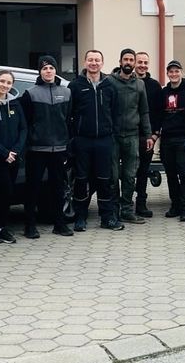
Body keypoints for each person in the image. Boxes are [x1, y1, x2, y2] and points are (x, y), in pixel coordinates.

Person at [69, 49, 122, 231]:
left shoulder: (110, 86)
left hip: (104, 141)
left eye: (97, 60)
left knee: (104, 180)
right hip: (82, 140)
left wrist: (111, 134)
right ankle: (80, 217)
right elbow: (70, 114)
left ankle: (107, 218)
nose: (93, 63)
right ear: (85, 63)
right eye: (90, 60)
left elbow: (115, 113)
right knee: (81, 180)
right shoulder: (75, 86)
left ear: (102, 63)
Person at [20, 56, 71, 239]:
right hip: (36, 150)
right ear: (39, 72)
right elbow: (24, 122)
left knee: (58, 188)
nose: (48, 71)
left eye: (51, 67)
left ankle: (60, 224)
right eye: (44, 68)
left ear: (56, 70)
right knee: (32, 188)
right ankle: (30, 226)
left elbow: (68, 119)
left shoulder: (66, 93)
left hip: (59, 149)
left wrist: (67, 144)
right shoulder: (30, 93)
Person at [0, 69, 28, 244]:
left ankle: (0, 228)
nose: (5, 85)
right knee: (4, 190)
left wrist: (15, 151)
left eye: (9, 83)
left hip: (13, 157)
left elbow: (23, 129)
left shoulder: (15, 104)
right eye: (2, 81)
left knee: (7, 193)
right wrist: (4, 153)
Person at [110, 48, 153, 224]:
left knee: (129, 175)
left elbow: (144, 111)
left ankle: (127, 210)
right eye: (125, 59)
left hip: (133, 136)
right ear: (120, 62)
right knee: (112, 175)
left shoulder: (139, 85)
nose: (128, 62)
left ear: (134, 63)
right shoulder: (110, 82)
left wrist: (149, 134)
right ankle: (113, 210)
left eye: (131, 60)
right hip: (113, 136)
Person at [158, 60, 185, 222]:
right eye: (171, 71)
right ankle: (174, 206)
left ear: (181, 73)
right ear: (168, 74)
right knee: (170, 175)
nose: (174, 74)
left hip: (183, 140)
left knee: (184, 174)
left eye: (177, 71)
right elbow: (159, 114)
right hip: (167, 139)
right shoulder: (164, 93)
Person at [134, 51, 162, 219]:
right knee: (127, 173)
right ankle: (123, 204)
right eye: (140, 62)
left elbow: (159, 112)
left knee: (143, 171)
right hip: (128, 135)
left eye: (145, 62)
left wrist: (154, 135)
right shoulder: (127, 82)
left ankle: (141, 204)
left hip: (147, 137)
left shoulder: (154, 85)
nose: (142, 65)